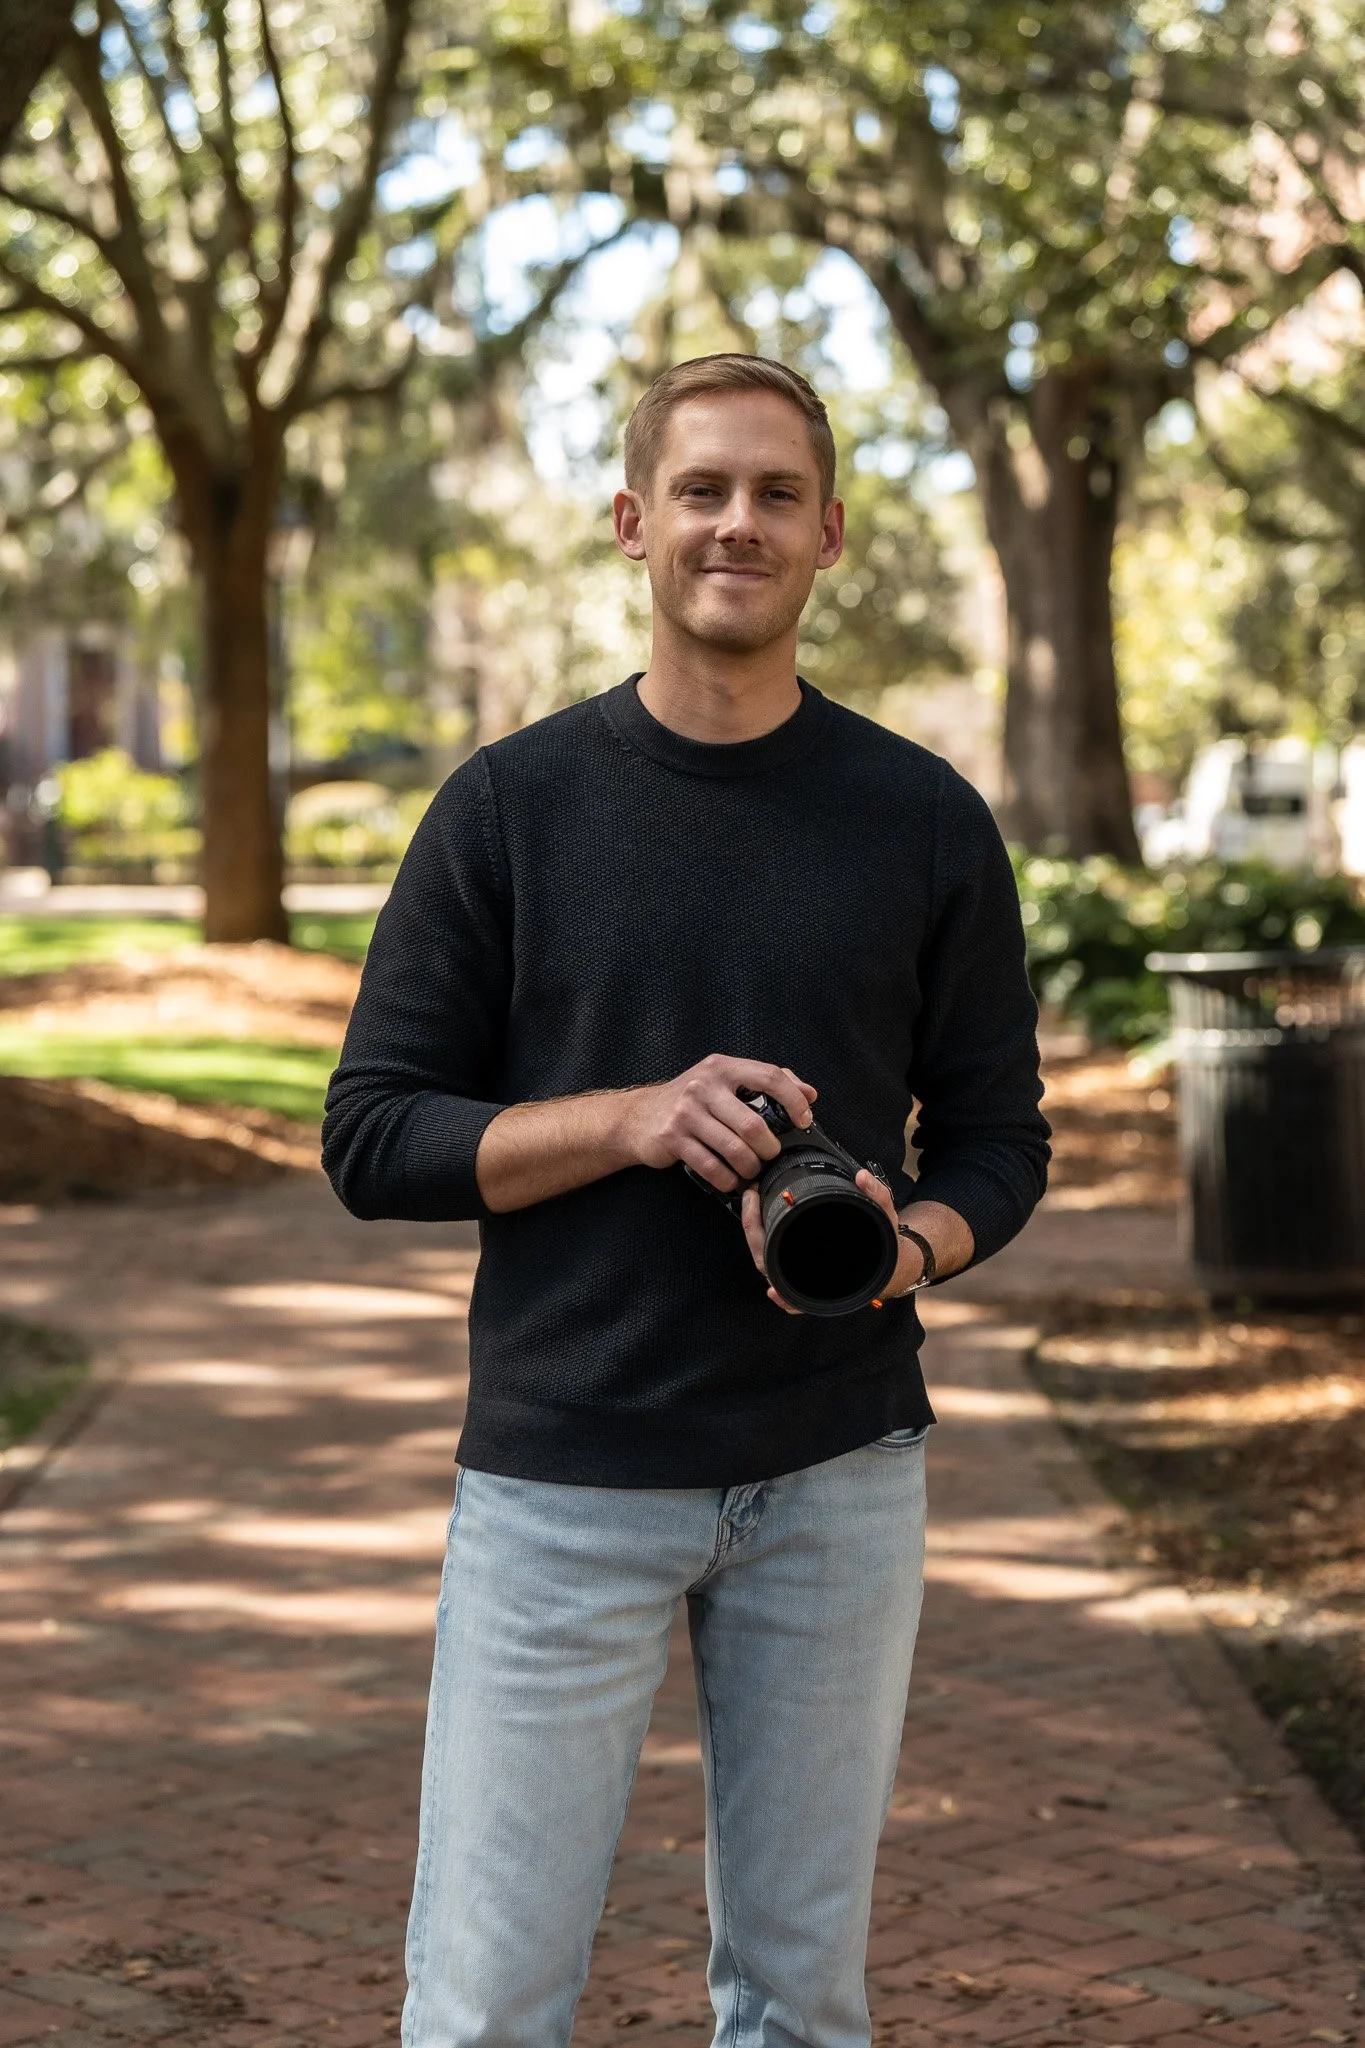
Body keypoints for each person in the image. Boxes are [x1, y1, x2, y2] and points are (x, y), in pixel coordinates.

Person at [322, 354, 1050, 2048]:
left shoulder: (925, 820)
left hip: (838, 1476)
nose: (742, 524)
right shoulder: (510, 806)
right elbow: (372, 1139)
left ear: (833, 535)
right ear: (635, 523)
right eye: (705, 490)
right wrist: (635, 1121)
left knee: (801, 2004)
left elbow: (1004, 1143)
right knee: (487, 2005)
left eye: (778, 494)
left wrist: (899, 1254)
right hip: (563, 1480)